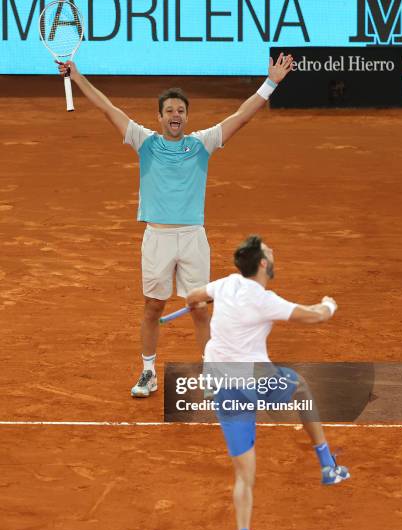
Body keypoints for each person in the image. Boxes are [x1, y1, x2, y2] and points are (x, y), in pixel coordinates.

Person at [57, 55, 294, 397]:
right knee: (153, 306)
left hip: (193, 238)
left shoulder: (202, 144)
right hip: (158, 238)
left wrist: (270, 82)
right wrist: (76, 76)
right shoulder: (144, 142)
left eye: (180, 111)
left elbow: (241, 116)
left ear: (186, 116)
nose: (175, 116)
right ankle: (148, 372)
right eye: (169, 111)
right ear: (160, 117)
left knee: (199, 307)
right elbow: (108, 108)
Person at [186, 236, 350, 530]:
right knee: (301, 387)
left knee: (244, 474)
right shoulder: (264, 300)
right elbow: (312, 317)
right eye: (271, 254)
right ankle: (327, 465)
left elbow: (193, 297)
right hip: (255, 381)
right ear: (262, 264)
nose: (274, 257)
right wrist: (329, 305)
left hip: (219, 382)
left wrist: (199, 308)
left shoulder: (226, 284)